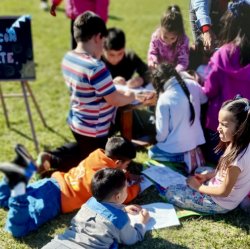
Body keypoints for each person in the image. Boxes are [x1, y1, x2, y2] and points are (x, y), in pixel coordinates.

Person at [39, 11, 149, 172]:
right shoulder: (96, 66)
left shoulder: (69, 58)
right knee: (93, 162)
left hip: (77, 121)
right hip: (95, 128)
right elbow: (114, 100)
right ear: (98, 37)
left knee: (85, 149)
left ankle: (50, 157)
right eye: (103, 41)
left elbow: (89, 87)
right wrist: (133, 95)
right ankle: (54, 160)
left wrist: (111, 83)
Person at [0, 137, 141, 237]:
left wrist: (126, 174)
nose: (126, 169)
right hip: (56, 199)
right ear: (117, 162)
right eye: (126, 165)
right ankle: (18, 192)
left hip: (51, 182)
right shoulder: (106, 179)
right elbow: (121, 196)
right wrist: (138, 187)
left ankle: (16, 174)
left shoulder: (97, 155)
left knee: (2, 199)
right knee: (20, 229)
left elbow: (110, 168)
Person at [165, 97, 250, 214]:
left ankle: (238, 200)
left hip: (220, 203)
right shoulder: (241, 145)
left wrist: (198, 187)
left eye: (224, 125)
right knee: (200, 171)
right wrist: (207, 177)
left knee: (171, 192)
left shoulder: (236, 160)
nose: (218, 128)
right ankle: (241, 198)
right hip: (228, 190)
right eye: (219, 123)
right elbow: (224, 171)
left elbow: (223, 192)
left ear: (241, 128)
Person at [42, 168, 150, 248]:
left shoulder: (90, 202)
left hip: (60, 244)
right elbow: (131, 239)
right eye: (126, 189)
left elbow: (104, 210)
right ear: (118, 196)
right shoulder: (120, 220)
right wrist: (142, 223)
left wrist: (123, 208)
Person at [202, 0, 250, 163]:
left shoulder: (222, 55)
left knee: (218, 167)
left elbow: (208, 91)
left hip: (220, 126)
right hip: (246, 127)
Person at [148, 64, 207, 174]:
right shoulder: (193, 84)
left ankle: (180, 161)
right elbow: (204, 99)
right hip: (195, 144)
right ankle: (189, 157)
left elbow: (161, 136)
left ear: (159, 82)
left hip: (175, 151)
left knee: (152, 152)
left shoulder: (164, 98)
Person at [188, 0, 229, 70]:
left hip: (224, 9)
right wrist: (206, 30)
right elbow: (201, 6)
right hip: (201, 9)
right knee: (203, 49)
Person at [147, 5, 189, 72]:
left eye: (172, 38)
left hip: (176, 72)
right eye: (165, 37)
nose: (168, 41)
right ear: (161, 29)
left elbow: (183, 61)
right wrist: (153, 63)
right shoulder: (156, 37)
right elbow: (152, 53)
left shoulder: (183, 40)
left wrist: (174, 72)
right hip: (159, 70)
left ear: (179, 33)